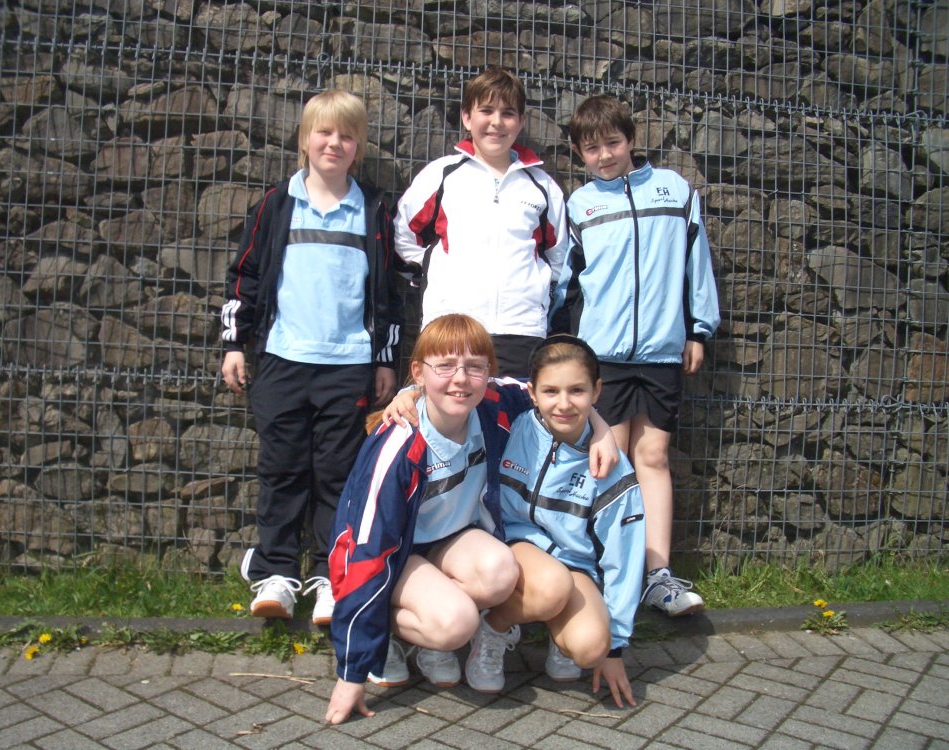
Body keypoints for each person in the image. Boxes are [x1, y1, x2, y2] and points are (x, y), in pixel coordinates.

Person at [325, 314, 618, 725]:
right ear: (418, 373)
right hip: (392, 557)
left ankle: (432, 637)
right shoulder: (400, 442)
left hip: (448, 544)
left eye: (475, 367)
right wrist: (352, 671)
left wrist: (601, 429)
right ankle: (383, 638)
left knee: (500, 569)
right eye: (445, 366)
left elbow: (550, 393)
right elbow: (368, 550)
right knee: (456, 622)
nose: (461, 379)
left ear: (488, 374)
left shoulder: (493, 405)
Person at [220, 89, 402, 625]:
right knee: (281, 468)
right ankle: (276, 573)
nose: (334, 143)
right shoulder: (277, 204)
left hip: (348, 366)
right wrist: (234, 342)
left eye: (347, 135)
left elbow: (387, 292)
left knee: (336, 474)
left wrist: (385, 360)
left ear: (359, 147)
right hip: (282, 360)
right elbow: (246, 276)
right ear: (304, 139)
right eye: (324, 132)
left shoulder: (373, 209)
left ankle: (328, 575)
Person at [551, 95, 721, 617]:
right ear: (579, 153)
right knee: (609, 462)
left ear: (631, 140)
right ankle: (606, 574)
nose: (604, 155)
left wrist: (699, 329)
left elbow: (696, 263)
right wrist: (566, 347)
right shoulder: (579, 205)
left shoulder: (675, 190)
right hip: (604, 356)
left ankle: (657, 576)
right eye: (591, 148)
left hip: (663, 352)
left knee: (653, 459)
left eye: (613, 143)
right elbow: (566, 283)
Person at [466, 335, 644, 706]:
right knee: (551, 587)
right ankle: (493, 628)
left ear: (596, 391)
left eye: (577, 391)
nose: (563, 404)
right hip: (515, 545)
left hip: (574, 565)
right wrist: (411, 394)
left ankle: (558, 632)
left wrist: (615, 648)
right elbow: (462, 386)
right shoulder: (512, 423)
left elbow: (624, 559)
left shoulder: (613, 468)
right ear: (532, 393)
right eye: (551, 391)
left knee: (592, 647)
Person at [393, 66, 569, 378]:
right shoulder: (441, 175)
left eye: (508, 113)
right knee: (451, 409)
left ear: (521, 122)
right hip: (450, 327)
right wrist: (435, 272)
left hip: (521, 330)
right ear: (466, 117)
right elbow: (404, 236)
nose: (496, 122)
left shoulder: (542, 186)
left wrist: (536, 295)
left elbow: (559, 258)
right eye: (486, 111)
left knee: (514, 411)